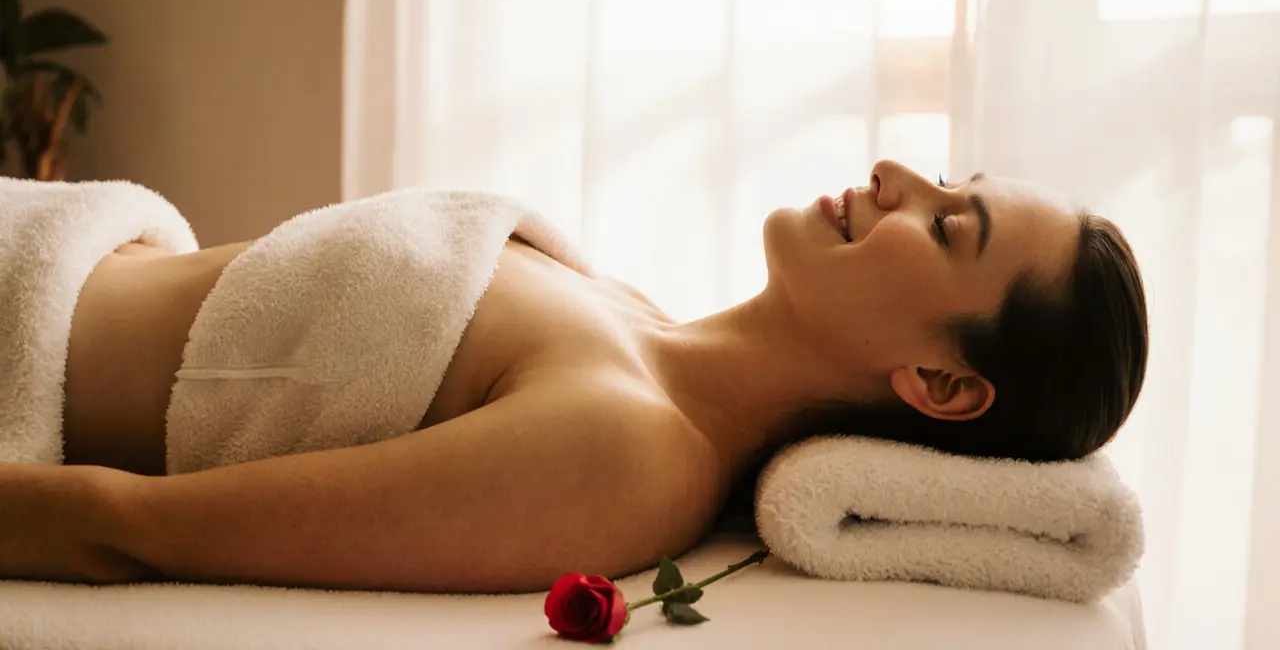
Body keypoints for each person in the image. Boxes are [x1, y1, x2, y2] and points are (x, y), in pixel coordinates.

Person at [0, 159, 1148, 593]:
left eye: (947, 228)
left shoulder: (629, 456)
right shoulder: (628, 315)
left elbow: (129, 528)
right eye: (949, 181)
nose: (896, 172)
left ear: (940, 385)